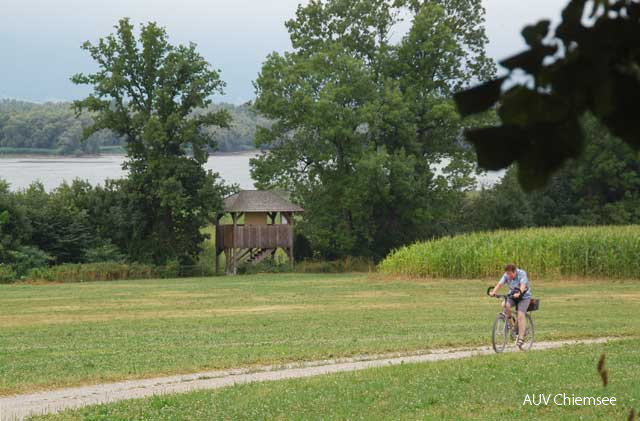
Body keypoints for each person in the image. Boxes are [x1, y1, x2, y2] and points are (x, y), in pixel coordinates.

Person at [489, 263, 531, 349]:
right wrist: (494, 292)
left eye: (510, 274)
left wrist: (519, 293)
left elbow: (523, 286)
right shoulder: (506, 275)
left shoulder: (522, 274)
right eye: (507, 274)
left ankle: (521, 338)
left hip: (524, 297)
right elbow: (499, 284)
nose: (508, 276)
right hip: (512, 296)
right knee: (504, 305)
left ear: (514, 271)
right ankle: (511, 324)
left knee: (520, 314)